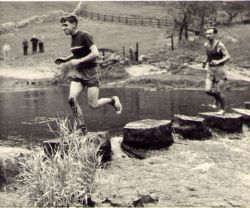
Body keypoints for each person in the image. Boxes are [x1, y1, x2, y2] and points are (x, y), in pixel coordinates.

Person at [55, 14, 122, 135]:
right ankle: (82, 128)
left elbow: (95, 53)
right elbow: (79, 52)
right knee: (71, 99)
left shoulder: (84, 35)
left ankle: (112, 100)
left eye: (65, 25)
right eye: (62, 25)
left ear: (74, 24)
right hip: (79, 73)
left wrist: (79, 61)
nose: (63, 28)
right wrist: (65, 59)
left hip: (92, 73)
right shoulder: (73, 37)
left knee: (93, 105)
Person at [203, 26, 230, 115]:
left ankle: (222, 109)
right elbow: (208, 55)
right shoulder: (205, 44)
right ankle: (217, 98)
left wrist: (218, 61)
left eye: (210, 33)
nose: (207, 35)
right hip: (210, 70)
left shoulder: (220, 45)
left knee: (219, 91)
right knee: (207, 90)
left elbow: (228, 57)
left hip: (220, 70)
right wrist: (204, 61)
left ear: (214, 34)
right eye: (206, 33)